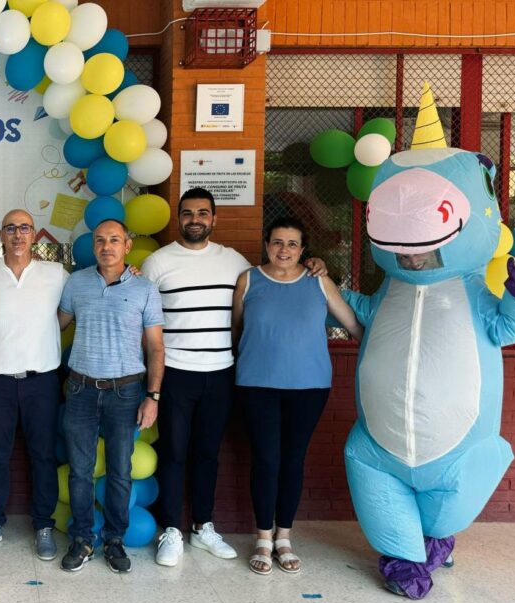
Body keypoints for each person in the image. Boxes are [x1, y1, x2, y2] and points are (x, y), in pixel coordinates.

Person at [140, 187, 326, 568]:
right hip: (175, 371)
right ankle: (171, 530)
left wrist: (316, 264)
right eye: (188, 213)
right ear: (179, 218)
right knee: (174, 454)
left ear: (214, 219)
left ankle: (203, 526)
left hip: (222, 372)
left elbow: (276, 279)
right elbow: (143, 320)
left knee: (208, 453)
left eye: (203, 213)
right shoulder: (158, 262)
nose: (195, 219)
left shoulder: (236, 263)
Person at [231, 218, 363, 575]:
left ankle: (284, 537)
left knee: (292, 461)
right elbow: (237, 329)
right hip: (257, 384)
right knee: (266, 460)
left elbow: (352, 325)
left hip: (309, 387)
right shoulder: (249, 280)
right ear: (267, 245)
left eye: (292, 244)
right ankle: (262, 537)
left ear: (304, 250)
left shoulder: (318, 280)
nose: (284, 250)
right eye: (277, 242)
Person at [57, 219, 164, 573]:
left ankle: (115, 540)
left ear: (127, 246)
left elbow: (155, 347)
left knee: (120, 471)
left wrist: (153, 396)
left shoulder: (145, 289)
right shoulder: (76, 282)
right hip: (81, 389)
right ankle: (83, 539)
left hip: (126, 391)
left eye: (114, 240)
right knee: (81, 471)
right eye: (100, 240)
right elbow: (54, 325)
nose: (106, 246)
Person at [0, 209, 68, 560]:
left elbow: (70, 309)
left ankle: (44, 525)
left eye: (24, 228)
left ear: (34, 234)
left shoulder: (56, 274)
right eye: (10, 228)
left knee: (43, 454)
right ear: (1, 234)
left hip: (41, 380)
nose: (18, 234)